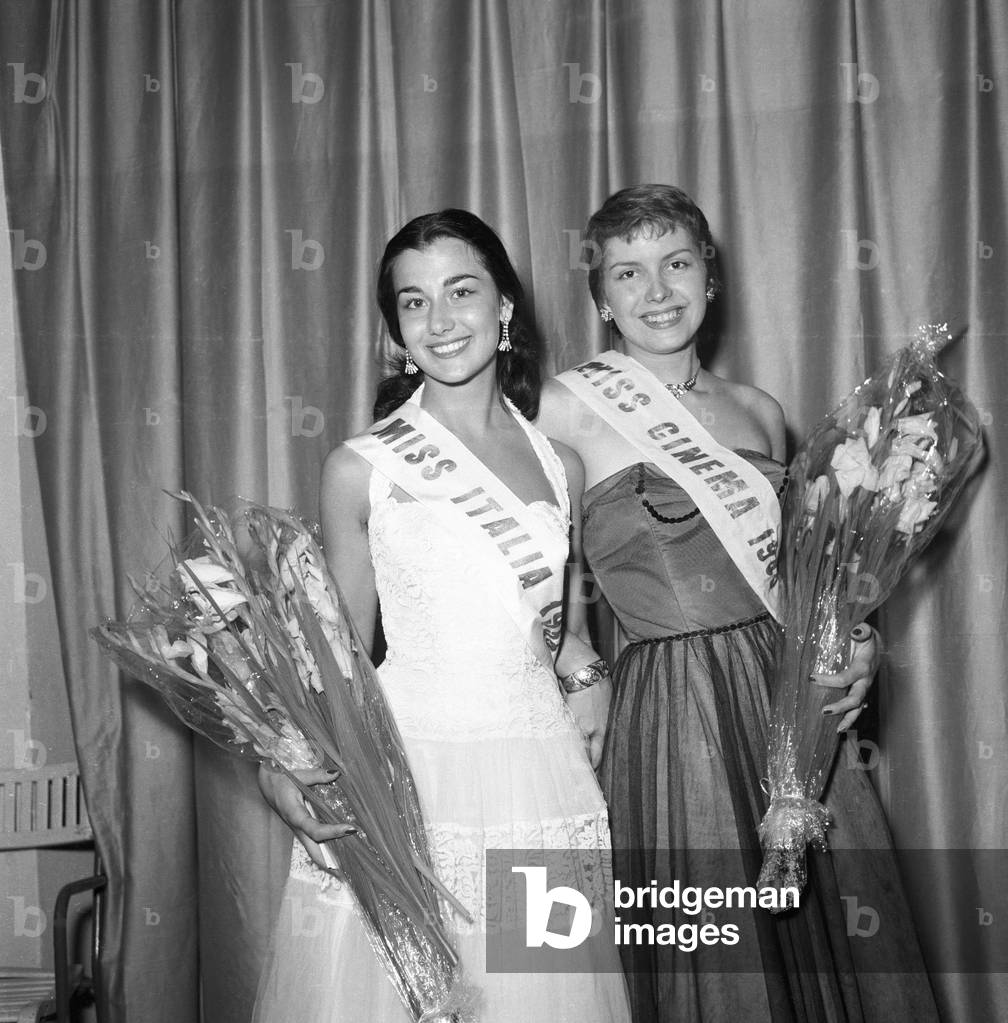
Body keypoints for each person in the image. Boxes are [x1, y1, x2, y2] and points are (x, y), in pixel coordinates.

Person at [537, 185, 940, 1022]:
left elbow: (805, 574)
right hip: (674, 708)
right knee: (714, 941)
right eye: (628, 273)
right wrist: (575, 668)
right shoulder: (562, 408)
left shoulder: (761, 411)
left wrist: (853, 638)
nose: (657, 292)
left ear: (710, 279)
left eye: (676, 263)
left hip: (789, 697)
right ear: (600, 299)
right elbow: (554, 578)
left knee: (830, 939)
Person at [253, 209, 630, 1022]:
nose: (440, 318)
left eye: (462, 290)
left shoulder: (558, 462)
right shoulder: (361, 468)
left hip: (538, 771)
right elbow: (340, 648)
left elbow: (559, 630)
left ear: (504, 308)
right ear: (395, 330)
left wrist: (590, 674)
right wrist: (282, 757)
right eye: (413, 301)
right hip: (411, 771)